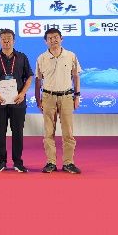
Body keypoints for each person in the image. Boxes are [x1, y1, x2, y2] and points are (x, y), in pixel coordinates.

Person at [0, 29, 34, 173]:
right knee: (0, 132)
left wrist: (23, 93)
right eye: (3, 39)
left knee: (18, 132)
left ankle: (18, 162)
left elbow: (29, 76)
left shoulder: (22, 57)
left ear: (14, 41)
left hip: (18, 101)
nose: (6, 41)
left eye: (9, 38)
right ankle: (1, 162)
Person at [35, 28, 83, 174]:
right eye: (50, 38)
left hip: (67, 97)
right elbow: (38, 80)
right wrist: (38, 99)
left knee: (68, 132)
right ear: (45, 41)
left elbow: (76, 77)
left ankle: (68, 163)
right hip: (48, 97)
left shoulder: (71, 56)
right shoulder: (41, 58)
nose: (53, 40)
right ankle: (51, 162)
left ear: (62, 39)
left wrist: (77, 95)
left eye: (56, 37)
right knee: (48, 132)